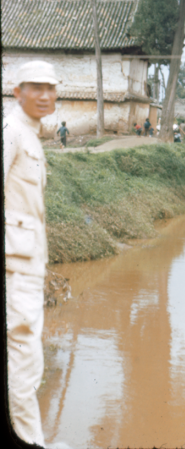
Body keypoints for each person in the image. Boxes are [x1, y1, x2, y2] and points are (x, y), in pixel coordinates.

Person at [3, 60, 58, 445]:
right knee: (26, 357)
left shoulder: (31, 134)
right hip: (15, 263)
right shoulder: (11, 132)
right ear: (16, 92)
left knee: (25, 353)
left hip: (28, 261)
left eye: (50, 88)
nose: (44, 95)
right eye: (34, 87)